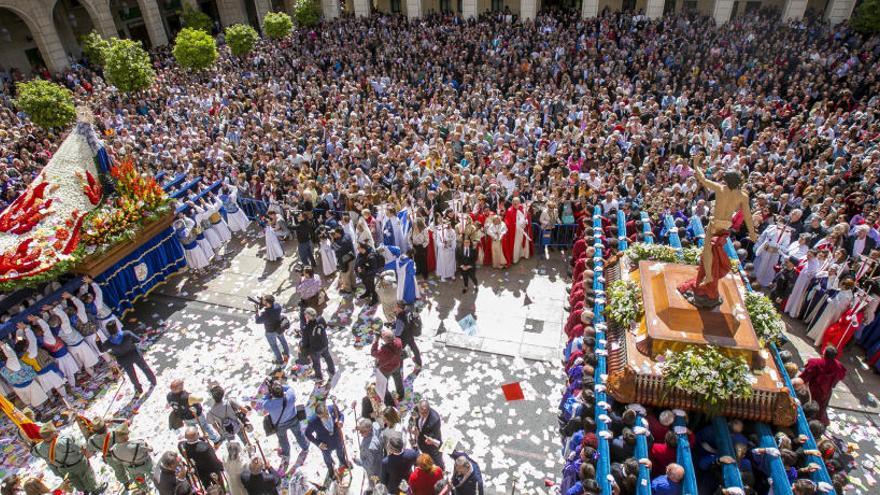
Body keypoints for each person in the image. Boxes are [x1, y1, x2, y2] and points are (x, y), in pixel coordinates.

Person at [31, 422, 105, 494]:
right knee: (87, 476)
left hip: (62, 469)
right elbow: (81, 448)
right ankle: (95, 490)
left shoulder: (39, 448)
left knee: (74, 480)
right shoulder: (65, 439)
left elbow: (33, 452)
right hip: (78, 464)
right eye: (55, 431)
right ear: (52, 434)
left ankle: (84, 491)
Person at [97, 320, 157, 395]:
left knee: (132, 375)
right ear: (116, 327)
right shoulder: (127, 333)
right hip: (135, 354)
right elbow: (138, 340)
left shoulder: (108, 342)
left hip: (124, 360)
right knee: (144, 367)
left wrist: (98, 341)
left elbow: (101, 349)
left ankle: (138, 388)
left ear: (108, 331)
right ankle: (153, 381)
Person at [259, 380, 308, 466]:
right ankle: (305, 447)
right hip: (293, 419)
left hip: (280, 425)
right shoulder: (290, 396)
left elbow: (263, 400)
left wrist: (268, 392)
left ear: (272, 394)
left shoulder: (269, 404)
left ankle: (286, 454)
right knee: (298, 434)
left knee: (283, 440)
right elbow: (289, 388)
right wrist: (279, 385)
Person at [800, 345, 847, 425]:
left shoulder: (814, 362)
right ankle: (815, 422)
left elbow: (804, 377)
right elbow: (841, 376)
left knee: (806, 405)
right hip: (826, 391)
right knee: (821, 408)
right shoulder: (839, 366)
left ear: (824, 353)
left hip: (812, 389)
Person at [167, 379, 221, 444]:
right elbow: (200, 399)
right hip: (197, 415)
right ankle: (215, 439)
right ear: (180, 388)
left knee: (192, 429)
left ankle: (196, 439)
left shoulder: (169, 396)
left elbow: (170, 404)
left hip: (185, 418)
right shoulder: (187, 397)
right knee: (205, 426)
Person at [304, 402, 349, 475]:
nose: (325, 417)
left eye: (326, 414)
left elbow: (341, 415)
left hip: (337, 438)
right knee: (327, 457)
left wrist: (341, 421)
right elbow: (307, 434)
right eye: (321, 416)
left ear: (327, 409)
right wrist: (318, 444)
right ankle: (330, 468)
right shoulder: (313, 421)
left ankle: (343, 461)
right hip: (325, 443)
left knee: (341, 451)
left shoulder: (333, 408)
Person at [109, 423, 154, 491]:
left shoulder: (114, 450)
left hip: (132, 469)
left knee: (140, 482)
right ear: (126, 435)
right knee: (154, 475)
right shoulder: (138, 443)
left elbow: (117, 460)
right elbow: (150, 449)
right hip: (145, 465)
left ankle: (145, 490)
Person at [85, 418, 128, 488]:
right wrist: (112, 420)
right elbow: (125, 421)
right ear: (105, 426)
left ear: (93, 430)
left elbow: (90, 451)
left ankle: (126, 483)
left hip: (109, 457)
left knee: (118, 471)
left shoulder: (91, 441)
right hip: (121, 453)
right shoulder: (115, 432)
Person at [178, 427, 225, 491]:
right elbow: (213, 459)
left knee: (207, 487)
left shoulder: (181, 446)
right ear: (197, 434)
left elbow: (192, 442)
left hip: (199, 471)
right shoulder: (205, 447)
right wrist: (220, 467)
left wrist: (201, 438)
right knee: (219, 486)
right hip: (212, 471)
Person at [301, 307, 336, 382]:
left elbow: (305, 342)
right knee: (327, 357)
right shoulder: (321, 319)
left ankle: (318, 376)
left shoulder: (306, 328)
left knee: (316, 362)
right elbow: (325, 326)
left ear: (308, 317)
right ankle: (332, 370)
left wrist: (305, 351)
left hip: (315, 348)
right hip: (324, 343)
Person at [371, 328, 404, 404]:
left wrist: (376, 340)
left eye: (383, 337)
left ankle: (388, 399)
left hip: (386, 370)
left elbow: (373, 353)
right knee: (398, 380)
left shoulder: (384, 350)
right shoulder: (399, 341)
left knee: (384, 384)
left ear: (386, 340)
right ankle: (401, 395)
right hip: (396, 365)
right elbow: (392, 340)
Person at [255, 295, 290, 365]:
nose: (262, 301)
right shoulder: (277, 306)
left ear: (267, 303)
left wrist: (256, 312)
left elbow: (258, 321)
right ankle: (287, 353)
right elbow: (271, 307)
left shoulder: (266, 314)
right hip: (279, 327)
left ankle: (279, 360)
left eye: (264, 301)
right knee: (283, 341)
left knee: (274, 346)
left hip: (270, 332)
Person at [413, 399, 444, 469]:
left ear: (429, 409)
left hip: (432, 447)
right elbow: (413, 418)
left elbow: (433, 436)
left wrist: (418, 434)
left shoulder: (435, 420)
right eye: (421, 412)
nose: (423, 415)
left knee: (437, 460)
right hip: (422, 444)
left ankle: (441, 469)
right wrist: (413, 426)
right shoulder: (416, 409)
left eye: (425, 413)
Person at [393, 300, 422, 371]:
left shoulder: (400, 318)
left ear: (399, 308)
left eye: (395, 306)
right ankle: (419, 363)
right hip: (409, 333)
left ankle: (399, 368)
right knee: (415, 349)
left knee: (399, 353)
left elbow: (397, 333)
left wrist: (392, 330)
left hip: (403, 338)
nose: (394, 307)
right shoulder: (407, 311)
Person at [355, 418, 384, 490]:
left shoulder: (370, 447)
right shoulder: (375, 427)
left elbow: (369, 465)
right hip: (379, 462)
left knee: (374, 484)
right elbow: (375, 424)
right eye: (360, 431)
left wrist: (357, 461)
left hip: (374, 472)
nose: (360, 434)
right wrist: (361, 428)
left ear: (370, 429)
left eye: (363, 431)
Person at [332, 227, 356, 294]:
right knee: (352, 273)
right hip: (352, 257)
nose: (335, 235)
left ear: (339, 233)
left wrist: (332, 240)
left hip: (345, 261)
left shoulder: (340, 242)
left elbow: (333, 247)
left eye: (336, 233)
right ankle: (354, 286)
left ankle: (348, 289)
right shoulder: (347, 235)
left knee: (345, 275)